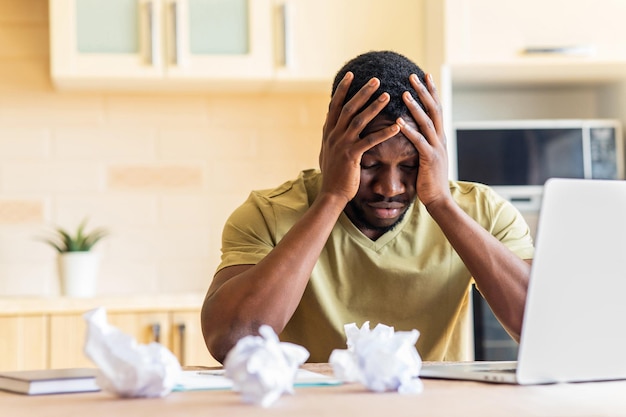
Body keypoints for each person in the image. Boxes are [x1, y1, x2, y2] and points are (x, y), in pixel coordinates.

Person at [201, 50, 534, 363]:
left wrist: (440, 203)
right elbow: (231, 342)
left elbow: (540, 328)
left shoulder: (481, 212)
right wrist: (332, 198)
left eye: (409, 165)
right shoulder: (267, 214)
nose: (389, 188)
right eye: (369, 163)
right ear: (331, 147)